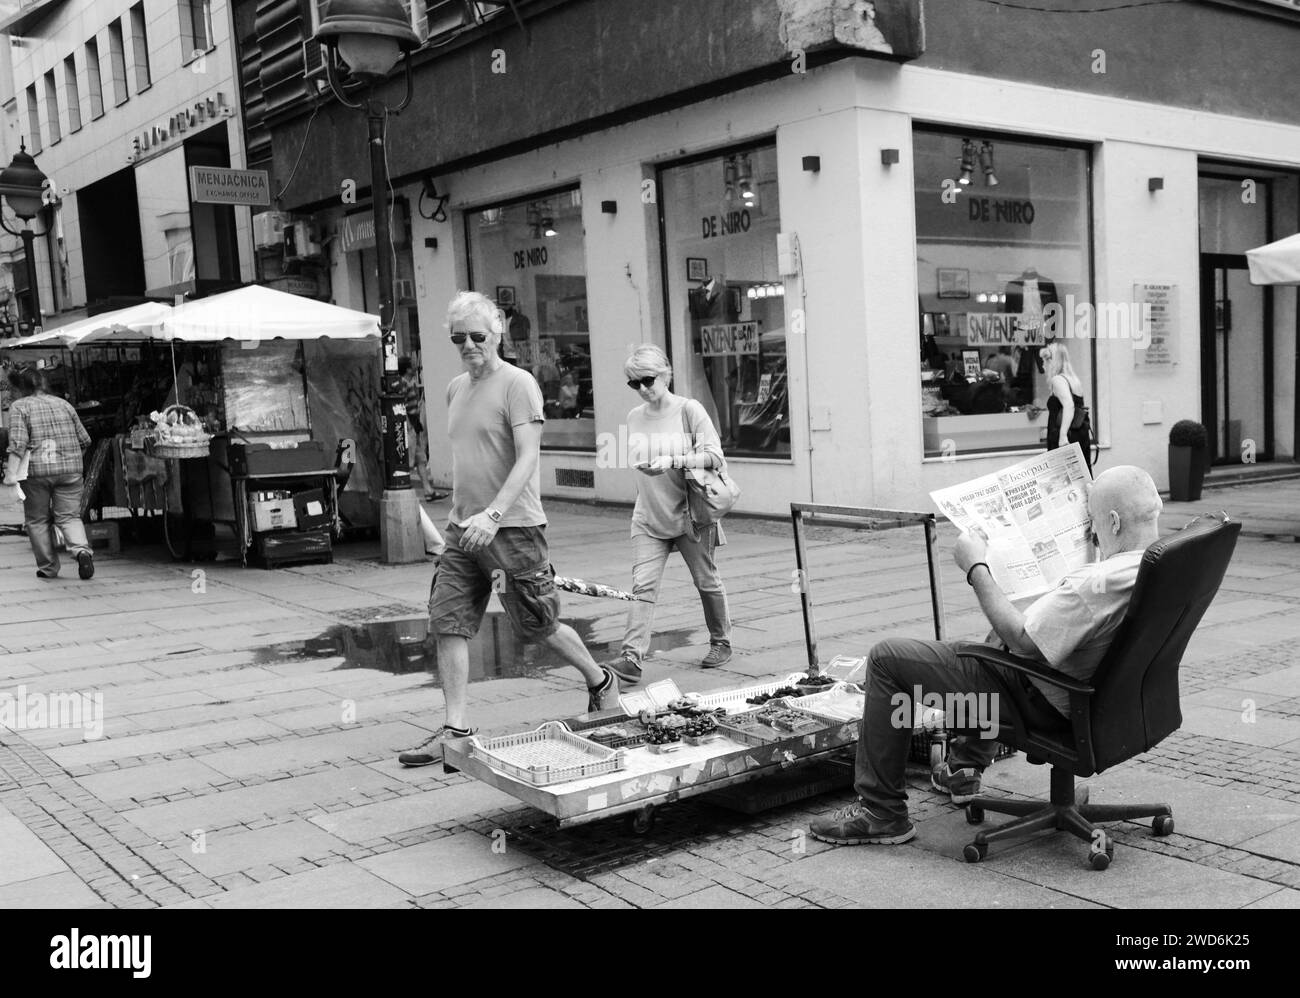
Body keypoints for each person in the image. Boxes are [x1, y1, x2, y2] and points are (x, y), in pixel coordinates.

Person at [809, 466, 1162, 845]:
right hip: (1112, 705)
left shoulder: (1095, 586)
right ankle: (962, 768)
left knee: (887, 658)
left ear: (1112, 521)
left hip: (1046, 704)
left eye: (1091, 520)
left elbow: (1022, 639)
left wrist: (976, 566)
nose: (1089, 531)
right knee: (1000, 630)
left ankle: (881, 812)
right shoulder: (1162, 563)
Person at [397, 291, 618, 767]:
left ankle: (601, 681)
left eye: (478, 335)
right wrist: (458, 520)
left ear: (498, 331)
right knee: (447, 622)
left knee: (538, 624)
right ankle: (455, 729)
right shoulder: (456, 387)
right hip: (463, 531)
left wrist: (493, 513)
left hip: (512, 528)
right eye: (460, 338)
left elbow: (528, 458)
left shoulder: (519, 384)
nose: (470, 345)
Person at [606, 345, 733, 687]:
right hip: (648, 514)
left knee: (706, 580)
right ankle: (632, 657)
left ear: (665, 374)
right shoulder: (634, 417)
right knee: (642, 586)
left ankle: (721, 641)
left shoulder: (688, 410)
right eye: (634, 384)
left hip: (689, 514)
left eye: (647, 380)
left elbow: (714, 456)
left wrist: (673, 461)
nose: (643, 389)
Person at [2, 366, 95, 580]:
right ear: (44, 384)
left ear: (21, 387)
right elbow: (85, 440)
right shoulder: (64, 404)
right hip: (71, 471)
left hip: (37, 472)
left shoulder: (20, 406)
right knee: (70, 516)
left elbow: (18, 443)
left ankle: (48, 568)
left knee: (37, 520)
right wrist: (69, 458)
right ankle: (81, 551)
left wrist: (11, 474)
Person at [1043, 340, 1092, 473]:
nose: (1043, 365)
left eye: (1045, 361)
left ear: (1051, 362)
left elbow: (1069, 405)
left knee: (1062, 478)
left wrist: (1063, 435)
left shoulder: (1058, 380)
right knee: (1082, 473)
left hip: (1066, 434)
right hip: (1080, 432)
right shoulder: (1073, 379)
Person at [397, 356, 436, 500]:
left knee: (420, 459)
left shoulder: (410, 382)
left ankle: (428, 490)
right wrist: (409, 425)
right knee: (410, 460)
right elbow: (402, 406)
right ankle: (405, 491)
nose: (415, 367)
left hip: (414, 424)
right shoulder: (403, 384)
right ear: (407, 369)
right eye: (412, 365)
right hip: (410, 426)